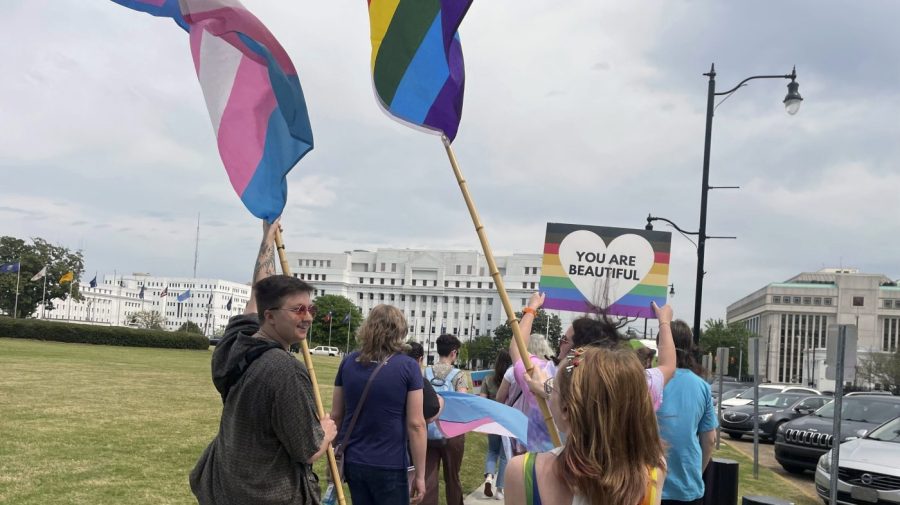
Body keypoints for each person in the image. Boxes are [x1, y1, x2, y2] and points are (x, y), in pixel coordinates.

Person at [190, 220, 337, 505]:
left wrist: (267, 238)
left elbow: (256, 295)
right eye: (298, 310)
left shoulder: (234, 344)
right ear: (270, 316)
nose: (307, 317)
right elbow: (307, 450)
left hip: (226, 487)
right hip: (266, 494)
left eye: (311, 309)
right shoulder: (286, 370)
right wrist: (327, 431)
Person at [504, 346, 667, 505]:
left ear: (567, 409)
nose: (550, 389)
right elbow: (604, 406)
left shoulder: (524, 473)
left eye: (553, 385)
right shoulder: (652, 472)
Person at [513, 293, 676, 413]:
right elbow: (668, 366)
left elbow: (517, 349)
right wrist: (664, 322)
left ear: (575, 351)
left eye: (565, 339)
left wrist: (531, 309)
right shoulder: (630, 383)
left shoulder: (544, 377)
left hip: (555, 458)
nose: (560, 343)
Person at [330, 305, 427, 505]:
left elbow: (336, 415)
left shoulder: (348, 362)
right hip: (389, 463)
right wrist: (420, 474)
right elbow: (416, 424)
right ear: (399, 330)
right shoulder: (409, 367)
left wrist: (332, 455)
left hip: (353, 459)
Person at [656, 321, 717, 505]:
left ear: (661, 344)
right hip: (687, 486)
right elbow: (710, 440)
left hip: (649, 483)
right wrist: (696, 473)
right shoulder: (702, 387)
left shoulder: (649, 381)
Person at [423, 334, 469, 505]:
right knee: (452, 478)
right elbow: (462, 402)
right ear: (454, 353)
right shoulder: (459, 375)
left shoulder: (425, 372)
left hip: (427, 432)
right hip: (452, 433)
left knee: (427, 477)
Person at [480, 350, 513, 500]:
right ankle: (500, 490)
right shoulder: (513, 380)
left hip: (492, 421)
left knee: (492, 451)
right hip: (508, 420)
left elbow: (482, 401)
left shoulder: (487, 379)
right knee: (505, 455)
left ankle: (489, 477)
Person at [406, 341, 443, 423]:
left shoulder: (393, 378)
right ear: (420, 359)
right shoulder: (420, 381)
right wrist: (441, 402)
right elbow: (429, 418)